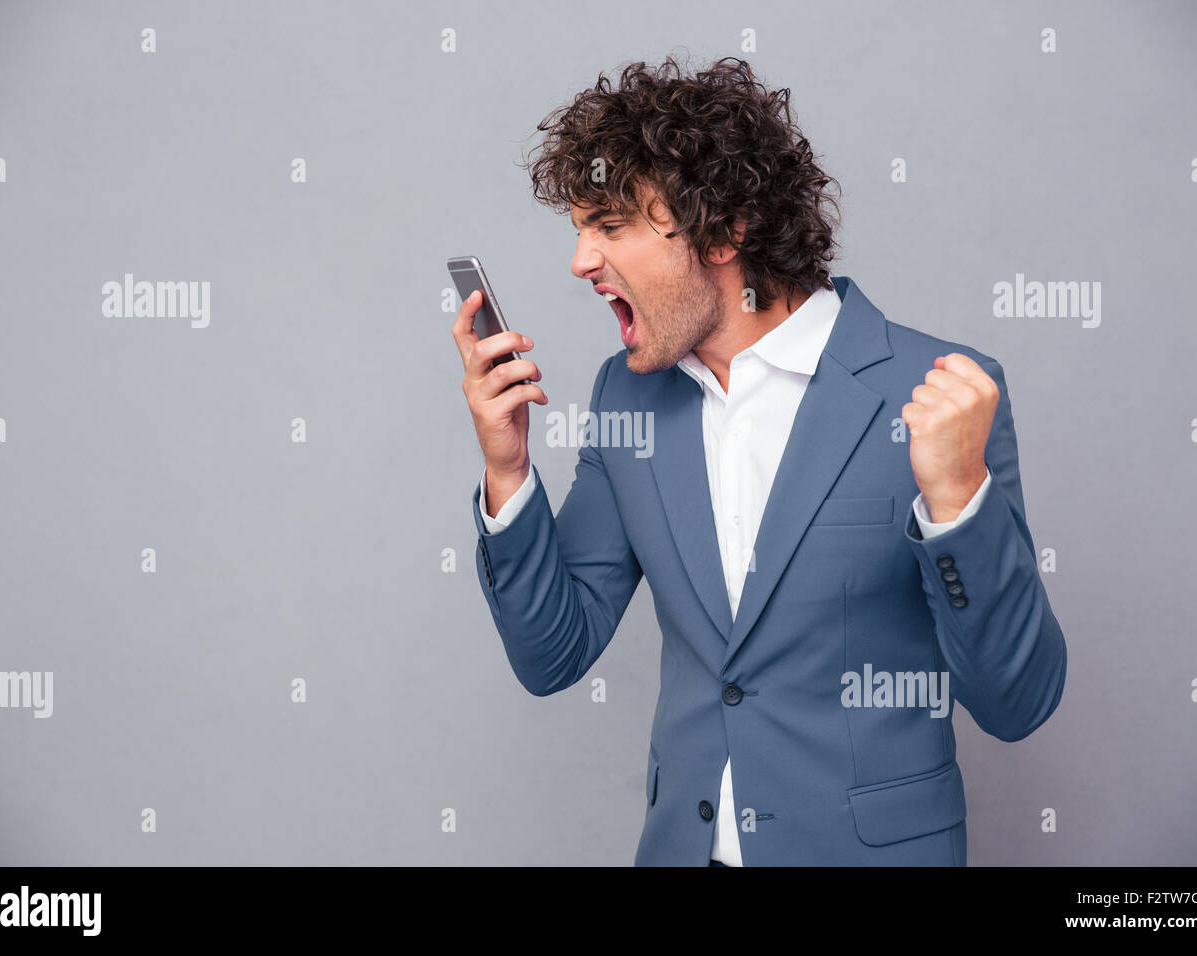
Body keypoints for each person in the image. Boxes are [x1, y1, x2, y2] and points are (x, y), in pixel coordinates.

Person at [451, 55, 1066, 866]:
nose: (580, 262)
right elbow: (552, 653)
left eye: (610, 225)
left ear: (727, 226)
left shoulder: (938, 392)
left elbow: (1016, 702)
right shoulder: (629, 399)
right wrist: (507, 472)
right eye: (578, 230)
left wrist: (958, 504)